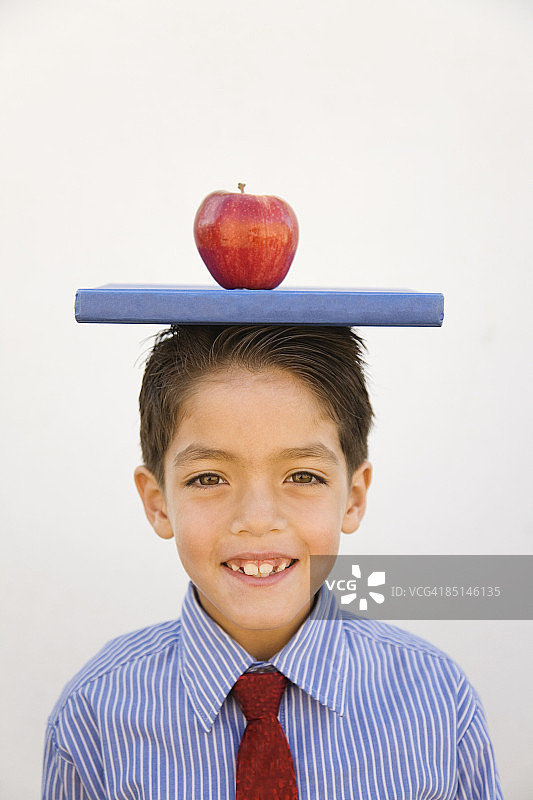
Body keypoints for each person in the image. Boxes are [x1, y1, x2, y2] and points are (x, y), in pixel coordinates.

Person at [42, 324, 503, 799]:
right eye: (207, 478)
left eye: (303, 475)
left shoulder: (437, 698)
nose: (257, 520)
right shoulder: (95, 711)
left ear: (353, 498)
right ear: (158, 503)